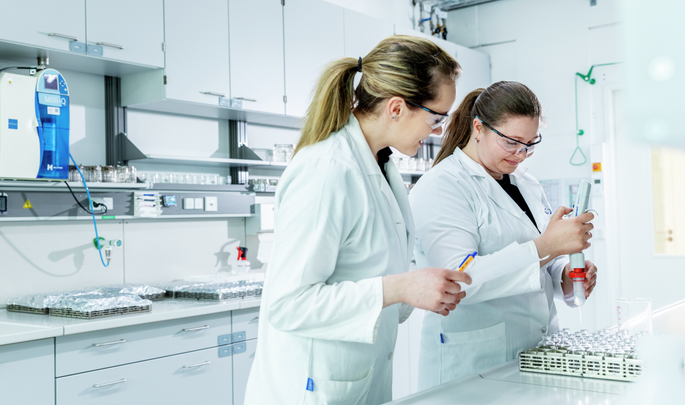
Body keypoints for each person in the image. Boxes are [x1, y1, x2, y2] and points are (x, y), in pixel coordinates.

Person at [244, 36, 473, 405]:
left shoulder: (381, 166)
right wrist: (399, 289)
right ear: (397, 107)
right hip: (311, 387)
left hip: (355, 380)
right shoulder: (326, 171)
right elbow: (289, 304)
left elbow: (369, 268)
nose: (438, 132)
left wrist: (418, 288)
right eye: (436, 118)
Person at [409, 82, 599, 390]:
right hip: (473, 366)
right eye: (511, 142)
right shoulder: (443, 185)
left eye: (529, 144)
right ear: (479, 128)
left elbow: (538, 260)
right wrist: (548, 245)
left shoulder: (526, 184)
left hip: (536, 353)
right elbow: (458, 278)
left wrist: (564, 274)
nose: (521, 154)